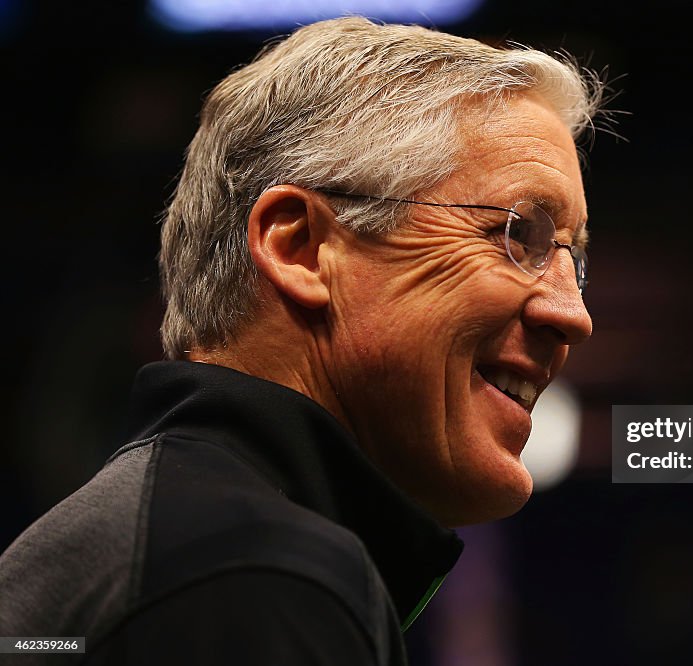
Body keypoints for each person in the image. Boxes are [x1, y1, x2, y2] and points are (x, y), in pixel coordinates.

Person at [0, 15, 603, 665]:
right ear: (303, 249)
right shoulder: (246, 575)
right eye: (520, 235)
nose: (573, 314)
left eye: (575, 259)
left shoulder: (172, 547)